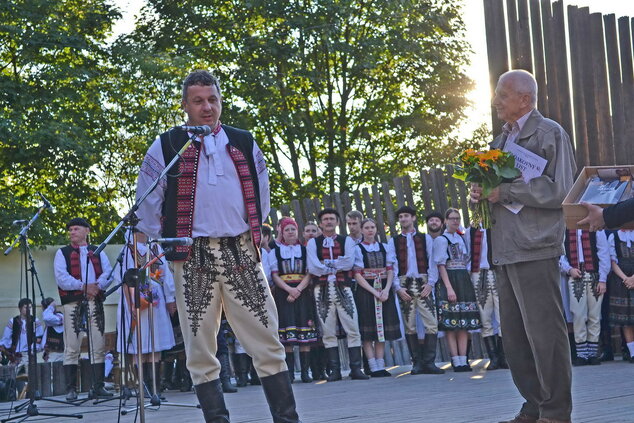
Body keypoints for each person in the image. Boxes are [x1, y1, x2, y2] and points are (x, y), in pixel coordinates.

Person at [135, 69, 299, 422]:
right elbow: (146, 202)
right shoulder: (167, 145)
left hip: (240, 251)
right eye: (198, 101)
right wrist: (154, 249)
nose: (207, 107)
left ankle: (287, 420)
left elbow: (262, 196)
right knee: (199, 348)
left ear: (220, 101)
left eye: (212, 99)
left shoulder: (243, 141)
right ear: (185, 105)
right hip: (191, 256)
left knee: (267, 339)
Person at [470, 69, 576, 423]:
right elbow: (496, 189)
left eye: (502, 95)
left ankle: (555, 412)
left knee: (545, 336)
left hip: (536, 248)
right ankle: (534, 406)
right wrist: (480, 193)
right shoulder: (501, 138)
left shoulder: (549, 133)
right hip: (505, 249)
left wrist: (507, 191)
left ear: (525, 100)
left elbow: (562, 190)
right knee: (514, 340)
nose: (496, 102)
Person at [54, 217, 113, 400]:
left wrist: (96, 286)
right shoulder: (62, 253)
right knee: (72, 346)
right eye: (70, 229)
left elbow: (108, 273)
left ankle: (98, 386)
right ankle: (71, 389)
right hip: (73, 303)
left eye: (76, 229)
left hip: (94, 301)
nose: (72, 232)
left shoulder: (98, 251)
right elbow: (61, 278)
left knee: (98, 344)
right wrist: (84, 287)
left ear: (87, 231)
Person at [306, 208, 368, 381]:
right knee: (328, 330)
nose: (328, 222)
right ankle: (335, 370)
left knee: (352, 327)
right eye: (325, 219)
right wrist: (334, 265)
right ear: (320, 223)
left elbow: (348, 263)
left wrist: (326, 265)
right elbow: (313, 267)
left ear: (337, 222)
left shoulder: (346, 240)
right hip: (322, 289)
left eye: (332, 219)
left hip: (343, 287)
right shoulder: (313, 243)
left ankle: (356, 368)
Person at [116, 231, 176, 395]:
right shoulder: (127, 250)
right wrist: (131, 306)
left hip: (155, 301)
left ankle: (155, 389)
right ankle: (144, 389)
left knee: (155, 344)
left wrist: (171, 299)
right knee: (140, 345)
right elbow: (123, 280)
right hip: (134, 300)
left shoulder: (156, 247)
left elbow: (167, 277)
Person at [387, 206, 444, 375]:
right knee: (409, 325)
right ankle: (417, 363)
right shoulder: (394, 241)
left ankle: (429, 362)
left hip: (423, 281)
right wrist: (397, 287)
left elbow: (432, 261)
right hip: (405, 284)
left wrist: (431, 283)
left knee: (431, 324)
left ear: (413, 218)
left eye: (406, 216)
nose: (403, 219)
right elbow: (392, 264)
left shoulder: (425, 238)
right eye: (401, 217)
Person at [269, 217, 319, 383]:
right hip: (284, 294)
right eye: (287, 230)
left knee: (304, 331)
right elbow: (275, 275)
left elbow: (309, 273)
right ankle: (290, 373)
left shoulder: (305, 250)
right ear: (282, 232)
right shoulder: (275, 251)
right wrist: (289, 289)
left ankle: (306, 372)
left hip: (302, 293)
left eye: (293, 229)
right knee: (287, 333)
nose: (290, 232)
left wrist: (298, 289)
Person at [433, 208, 482, 372]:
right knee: (451, 322)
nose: (455, 221)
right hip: (450, 278)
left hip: (463, 279)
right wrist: (448, 287)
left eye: (457, 218)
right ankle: (455, 359)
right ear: (445, 221)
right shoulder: (441, 240)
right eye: (452, 218)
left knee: (463, 322)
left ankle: (464, 358)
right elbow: (440, 265)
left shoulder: (461, 238)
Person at [353, 218, 401, 377]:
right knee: (368, 328)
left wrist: (387, 290)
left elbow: (390, 270)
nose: (370, 230)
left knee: (383, 327)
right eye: (366, 227)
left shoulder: (384, 247)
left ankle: (380, 364)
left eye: (372, 227)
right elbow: (358, 275)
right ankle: (372, 365)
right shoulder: (357, 249)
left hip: (384, 290)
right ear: (361, 230)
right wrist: (374, 292)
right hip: (366, 291)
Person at [559, 229, 610, 366]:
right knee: (578, 315)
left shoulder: (596, 229)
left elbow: (603, 253)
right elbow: (561, 254)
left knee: (595, 315)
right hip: (575, 275)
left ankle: (593, 352)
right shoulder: (565, 230)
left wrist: (603, 279)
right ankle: (582, 353)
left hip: (595, 275)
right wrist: (569, 269)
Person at [466, 226, 507, 370]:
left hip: (497, 273)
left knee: (503, 317)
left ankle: (504, 356)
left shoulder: (498, 227)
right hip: (479, 275)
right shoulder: (470, 231)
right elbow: (467, 255)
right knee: (484, 318)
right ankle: (493, 357)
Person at [606, 229, 634, 363]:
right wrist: (626, 279)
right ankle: (632, 352)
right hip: (620, 279)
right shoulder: (614, 235)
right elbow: (613, 261)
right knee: (625, 317)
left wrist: (633, 278)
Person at [0, 299, 44, 372]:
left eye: (30, 307)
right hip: (16, 356)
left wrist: (34, 349)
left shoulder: (35, 320)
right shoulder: (13, 321)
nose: (28, 310)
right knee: (12, 377)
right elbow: (6, 338)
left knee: (30, 377)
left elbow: (40, 337)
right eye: (25, 307)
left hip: (30, 354)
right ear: (20, 308)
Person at [41, 297, 64, 363]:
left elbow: (47, 317)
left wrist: (51, 307)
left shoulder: (59, 316)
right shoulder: (50, 319)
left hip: (56, 354)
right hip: (50, 355)